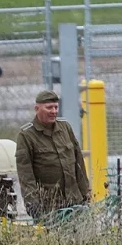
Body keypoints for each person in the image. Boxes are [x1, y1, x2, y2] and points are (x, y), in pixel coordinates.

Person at [14, 90, 91, 220]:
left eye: (56, 107)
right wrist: (33, 203)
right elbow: (26, 175)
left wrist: (86, 193)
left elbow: (79, 163)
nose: (54, 111)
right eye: (49, 107)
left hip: (75, 201)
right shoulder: (27, 135)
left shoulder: (65, 128)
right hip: (49, 207)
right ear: (37, 109)